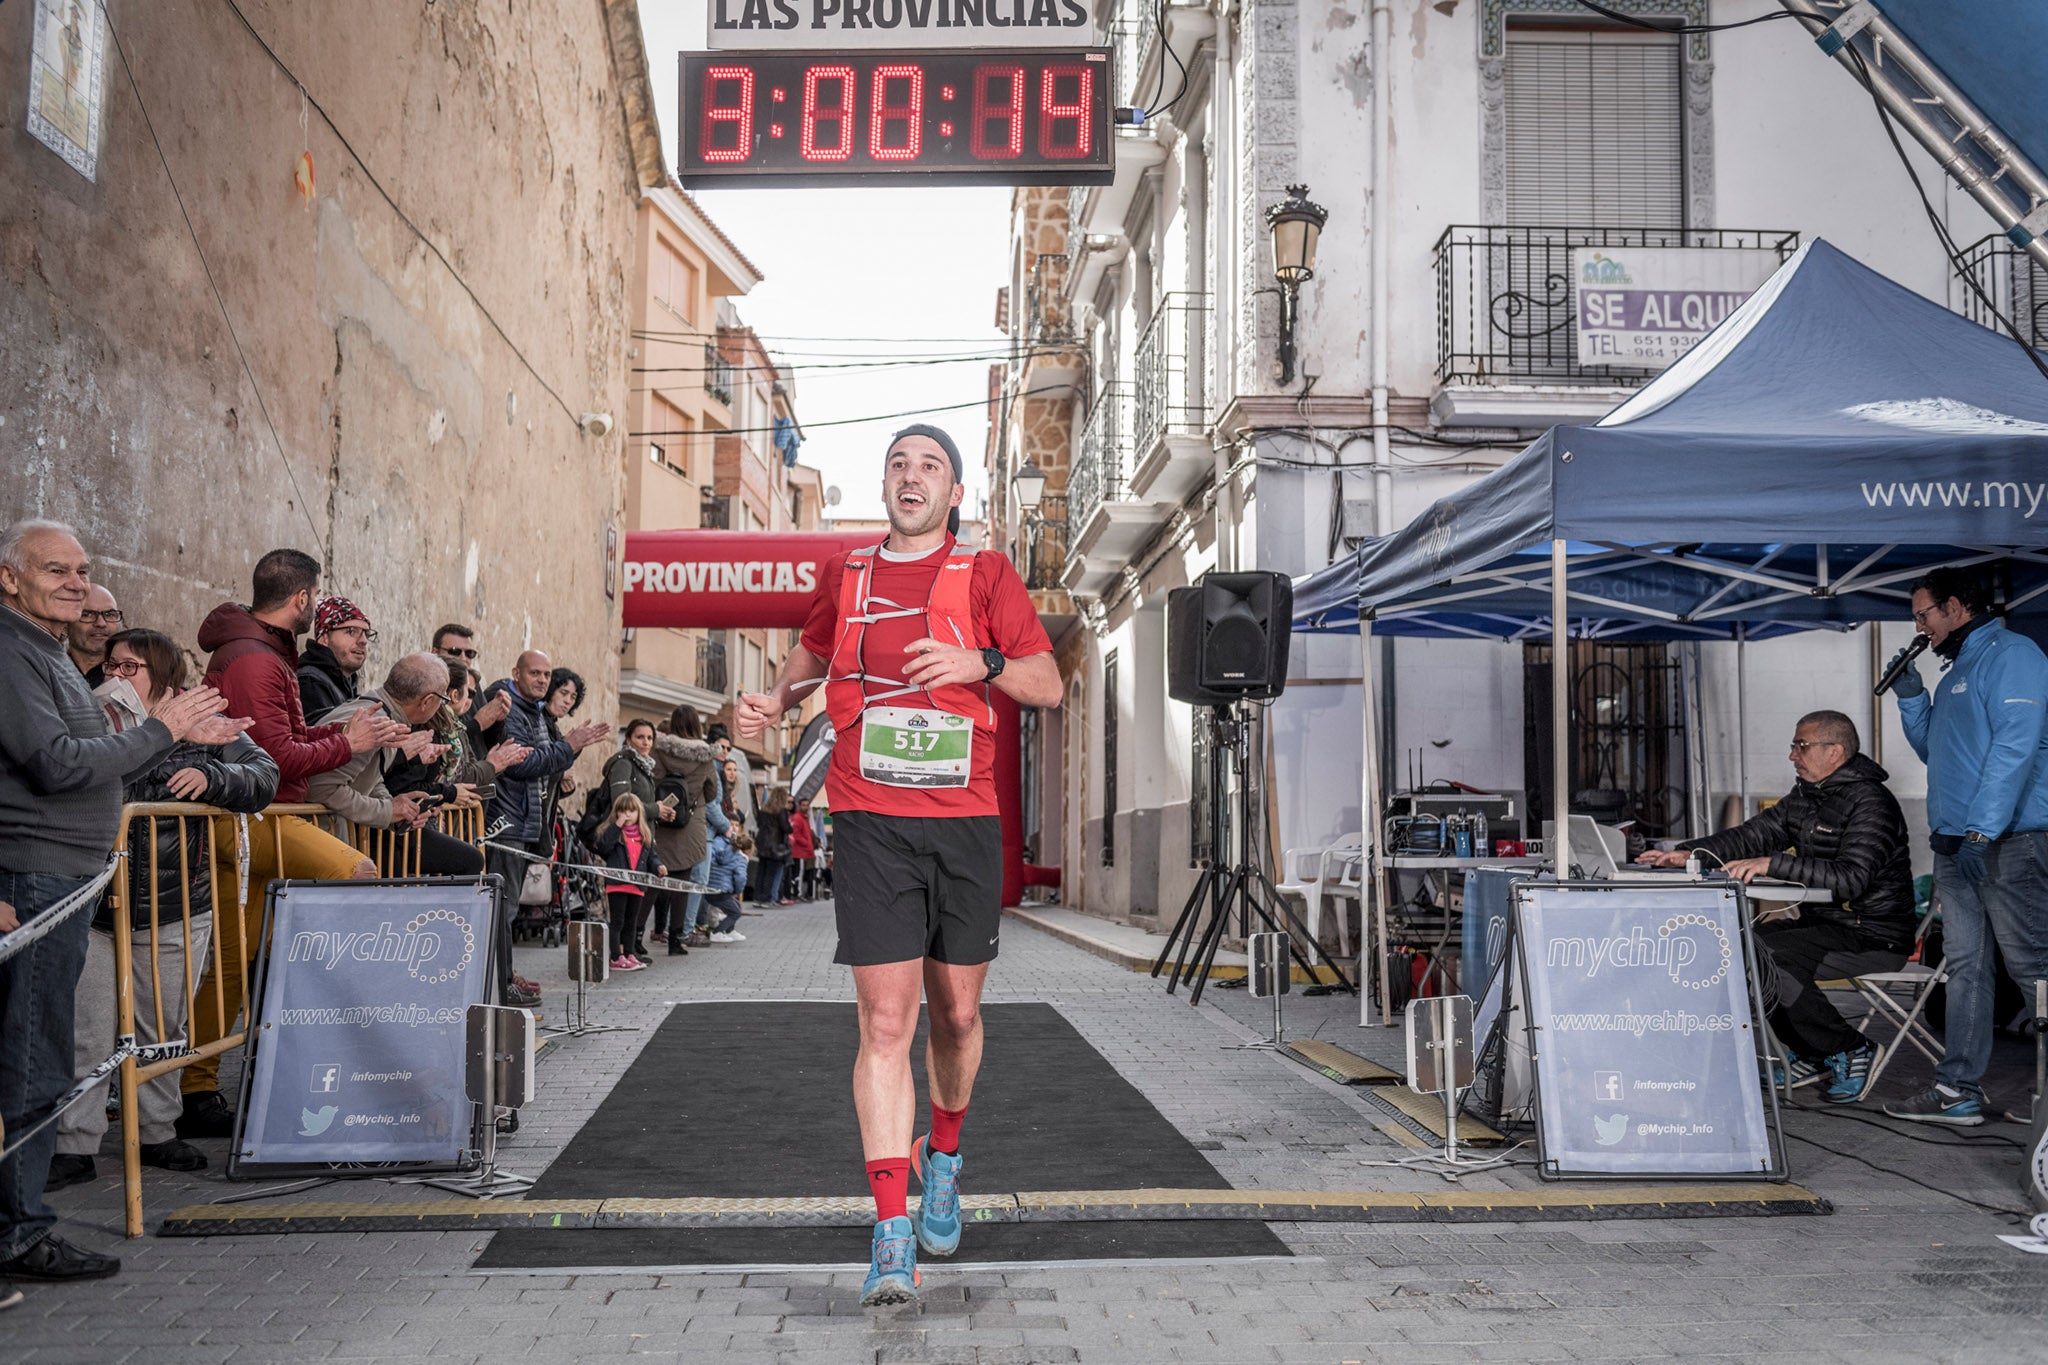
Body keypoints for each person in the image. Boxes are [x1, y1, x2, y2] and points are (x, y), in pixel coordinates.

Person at [736, 424, 1060, 1305]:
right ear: (884, 483)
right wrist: (776, 697)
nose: (911, 477)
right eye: (899, 464)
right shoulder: (847, 573)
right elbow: (811, 650)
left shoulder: (986, 575)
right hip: (869, 813)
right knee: (886, 1023)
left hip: (962, 822)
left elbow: (1047, 681)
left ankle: (943, 1155)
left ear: (954, 493)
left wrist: (979, 659)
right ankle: (889, 1233)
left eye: (931, 467)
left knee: (956, 1014)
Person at [0, 519, 245, 1285]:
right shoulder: (12, 651)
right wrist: (163, 729)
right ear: (10, 577)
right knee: (34, 1063)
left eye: (82, 569)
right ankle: (16, 1232)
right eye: (55, 570)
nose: (76, 583)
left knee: (37, 1058)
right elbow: (59, 764)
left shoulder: (45, 651)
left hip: (60, 881)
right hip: (34, 880)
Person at [179, 549, 407, 1137]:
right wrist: (349, 743)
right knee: (358, 873)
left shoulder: (264, 654)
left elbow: (294, 736)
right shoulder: (256, 660)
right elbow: (276, 759)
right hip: (255, 818)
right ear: (302, 599)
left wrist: (352, 735)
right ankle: (347, 1049)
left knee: (230, 964)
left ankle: (197, 1093)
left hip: (256, 818)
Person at [51, 629, 279, 1190]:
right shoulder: (93, 719)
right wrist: (156, 741)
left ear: (163, 674)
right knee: (88, 1029)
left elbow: (264, 775)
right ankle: (73, 1145)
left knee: (164, 1025)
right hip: (97, 900)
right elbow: (80, 783)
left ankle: (157, 1132)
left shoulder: (204, 721)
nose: (117, 675)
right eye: (112, 665)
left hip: (177, 904)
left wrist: (213, 775)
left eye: (131, 667)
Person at [1636, 710, 1915, 1103]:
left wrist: (1773, 863)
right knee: (1736, 947)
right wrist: (1690, 852)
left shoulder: (1871, 803)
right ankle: (1813, 1052)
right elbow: (1754, 834)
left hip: (1872, 934)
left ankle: (1850, 1048)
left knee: (1768, 956)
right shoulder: (1807, 796)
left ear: (1834, 752)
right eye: (1794, 746)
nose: (1792, 755)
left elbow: (1852, 878)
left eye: (1801, 746)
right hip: (1825, 926)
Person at [1879, 568, 2048, 1126]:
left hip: (2008, 841)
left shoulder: (2012, 655)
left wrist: (1984, 828)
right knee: (1968, 968)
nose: (1920, 628)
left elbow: (2015, 750)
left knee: (2031, 967)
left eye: (1923, 615)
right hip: (1957, 843)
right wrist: (1911, 698)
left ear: (1955, 607)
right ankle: (1958, 1091)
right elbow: (1940, 751)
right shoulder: (1958, 668)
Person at [481, 651, 608, 1006]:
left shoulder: (534, 711)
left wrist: (567, 753)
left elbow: (543, 764)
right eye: (534, 673)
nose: (541, 680)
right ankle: (499, 985)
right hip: (504, 824)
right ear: (516, 673)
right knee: (501, 909)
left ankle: (503, 979)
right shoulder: (507, 705)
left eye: (546, 674)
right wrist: (571, 744)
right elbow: (523, 763)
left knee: (507, 909)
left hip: (524, 824)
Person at [308, 654, 488, 877]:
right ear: (427, 701)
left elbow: (371, 778)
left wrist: (399, 810)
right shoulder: (375, 724)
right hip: (317, 840)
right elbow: (321, 788)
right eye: (442, 699)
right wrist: (387, 811)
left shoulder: (384, 714)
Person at [652, 708, 717, 954]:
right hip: (689, 825)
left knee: (654, 880)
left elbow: (653, 779)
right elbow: (711, 793)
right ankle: (675, 940)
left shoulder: (659, 749)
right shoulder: (704, 756)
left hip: (661, 821)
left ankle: (636, 937)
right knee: (682, 884)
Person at [591, 794, 663, 970]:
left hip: (636, 885)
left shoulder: (644, 835)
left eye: (631, 811)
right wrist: (617, 825)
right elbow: (603, 847)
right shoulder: (614, 833)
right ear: (616, 813)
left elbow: (651, 857)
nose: (627, 815)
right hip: (618, 884)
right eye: (623, 811)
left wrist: (658, 866)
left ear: (639, 813)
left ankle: (630, 953)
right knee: (617, 921)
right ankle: (616, 956)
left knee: (632, 922)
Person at [297, 597, 374, 724]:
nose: (363, 641)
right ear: (324, 638)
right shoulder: (311, 682)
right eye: (351, 631)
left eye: (366, 633)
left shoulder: (346, 683)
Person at [703, 825, 752, 943]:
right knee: (735, 912)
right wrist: (738, 890)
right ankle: (717, 932)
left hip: (711, 888)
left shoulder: (725, 850)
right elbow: (740, 878)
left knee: (735, 906)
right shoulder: (740, 858)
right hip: (721, 890)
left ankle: (730, 930)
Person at [64, 584, 119, 685]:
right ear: (65, 624)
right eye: (87, 615)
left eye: (110, 614)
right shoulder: (50, 670)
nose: (101, 623)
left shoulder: (129, 676)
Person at [754, 789, 792, 908]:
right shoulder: (781, 811)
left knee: (761, 872)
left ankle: (758, 898)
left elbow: (759, 825)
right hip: (774, 845)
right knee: (771, 873)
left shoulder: (763, 810)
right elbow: (786, 828)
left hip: (762, 844)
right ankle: (767, 898)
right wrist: (791, 828)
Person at [789, 803, 816, 903]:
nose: (806, 807)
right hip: (799, 851)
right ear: (799, 806)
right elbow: (796, 834)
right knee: (799, 874)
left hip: (804, 851)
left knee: (801, 873)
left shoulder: (805, 818)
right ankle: (798, 894)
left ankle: (798, 893)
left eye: (807, 805)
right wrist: (806, 843)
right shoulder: (798, 818)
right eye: (803, 805)